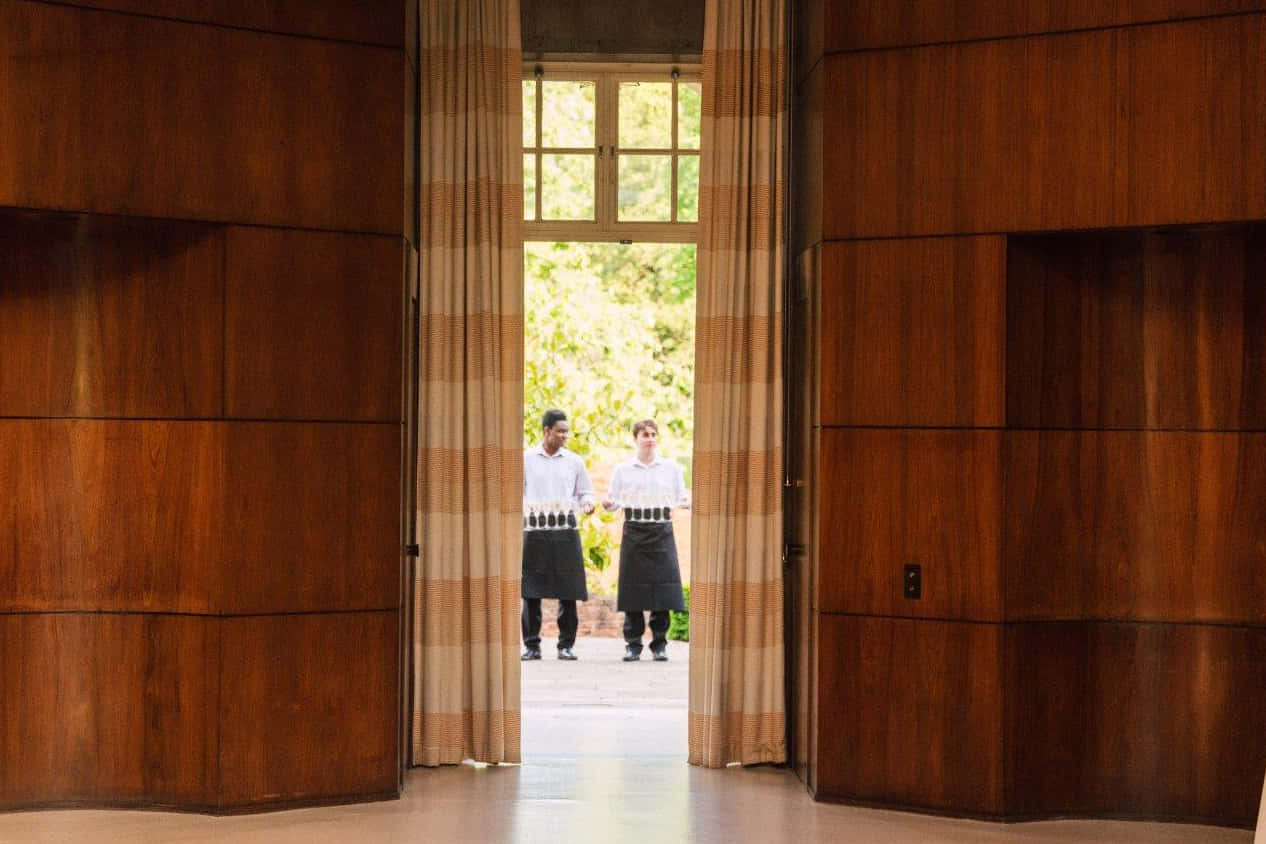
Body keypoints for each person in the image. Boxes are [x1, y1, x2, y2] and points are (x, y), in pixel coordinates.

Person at [603, 418, 689, 662]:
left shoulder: (671, 468)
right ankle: (633, 644)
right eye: (645, 435)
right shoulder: (623, 469)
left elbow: (681, 497)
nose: (650, 439)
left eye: (653, 434)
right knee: (633, 589)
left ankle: (660, 644)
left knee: (663, 588)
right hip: (634, 530)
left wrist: (687, 502)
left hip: (662, 529)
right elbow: (613, 501)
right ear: (635, 439)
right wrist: (608, 505)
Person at [522, 409, 595, 661]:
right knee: (530, 591)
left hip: (565, 528)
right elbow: (516, 493)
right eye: (560, 431)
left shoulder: (575, 461)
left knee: (569, 590)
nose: (565, 435)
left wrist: (587, 504)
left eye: (566, 431)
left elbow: (586, 492)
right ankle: (532, 646)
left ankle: (566, 646)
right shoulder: (526, 459)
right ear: (546, 431)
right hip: (534, 528)